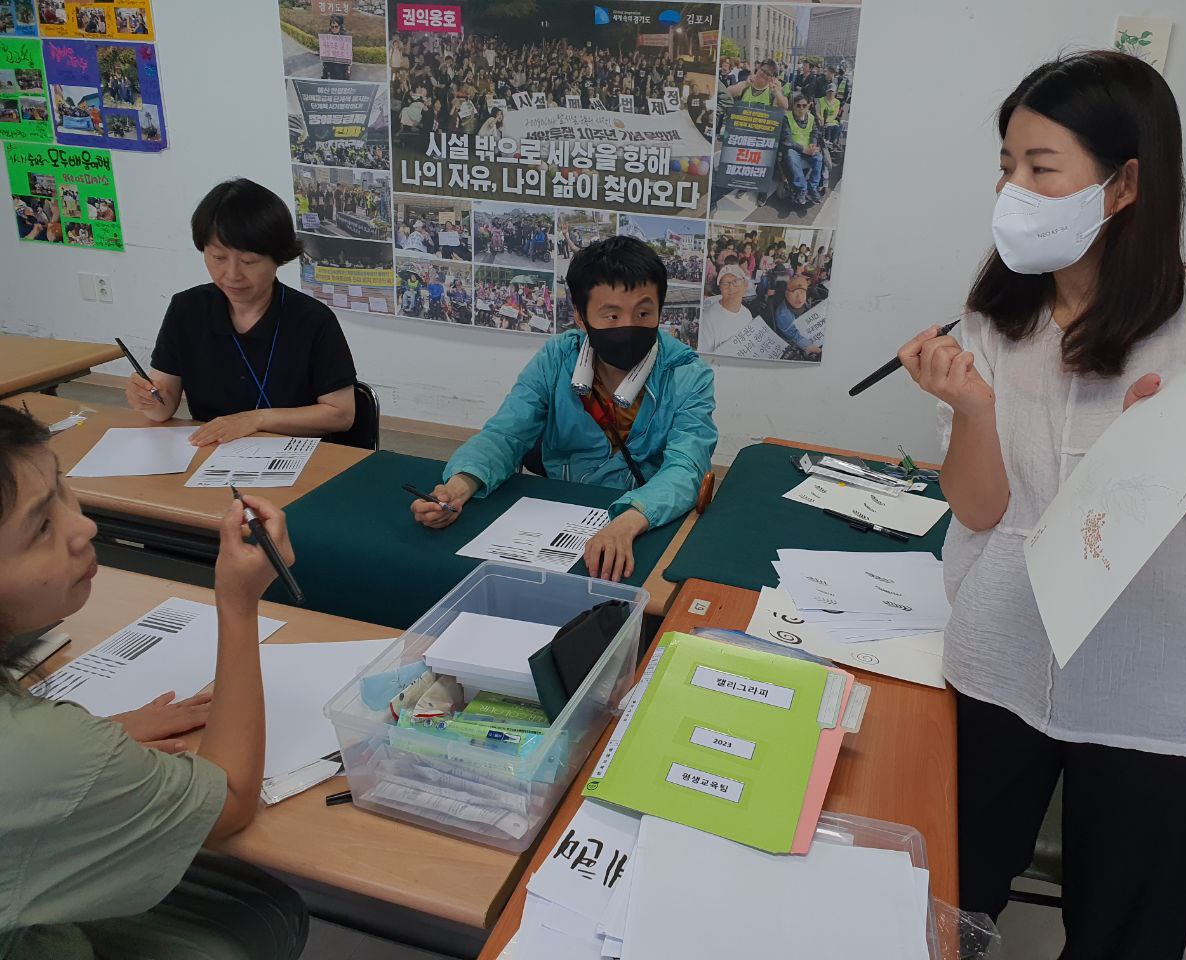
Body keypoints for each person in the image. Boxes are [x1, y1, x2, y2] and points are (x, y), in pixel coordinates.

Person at [895, 51, 1186, 959]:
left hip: (1166, 702)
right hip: (1001, 669)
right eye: (1006, 164)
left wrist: (1183, 453)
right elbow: (980, 509)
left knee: (1122, 938)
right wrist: (973, 412)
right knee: (953, 911)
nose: (1012, 188)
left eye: (1039, 167)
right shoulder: (999, 314)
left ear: (1124, 183)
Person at [0, 405, 308, 958]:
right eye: (42, 525)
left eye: (63, 488)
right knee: (257, 912)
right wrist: (238, 605)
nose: (85, 526)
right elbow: (231, 803)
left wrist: (100, 734)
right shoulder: (36, 752)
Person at [410, 237, 716, 581]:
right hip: (562, 516)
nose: (629, 325)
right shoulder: (557, 358)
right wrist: (460, 485)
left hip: (648, 518)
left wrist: (628, 521)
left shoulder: (688, 374)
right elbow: (506, 433)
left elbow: (687, 468)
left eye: (644, 313)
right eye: (611, 315)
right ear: (582, 318)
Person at [127, 179, 357, 446]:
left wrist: (256, 419)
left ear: (277, 258)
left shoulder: (312, 320)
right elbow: (162, 407)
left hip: (296, 457)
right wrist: (147, 399)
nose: (232, 275)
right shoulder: (187, 310)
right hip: (211, 455)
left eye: (249, 261)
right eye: (218, 258)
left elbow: (341, 414)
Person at [697, 264, 755, 354]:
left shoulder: (747, 314)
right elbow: (704, 357)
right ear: (720, 288)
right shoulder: (707, 319)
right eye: (725, 284)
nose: (731, 287)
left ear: (745, 285)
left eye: (736, 281)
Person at [781, 94, 824, 208]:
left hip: (808, 148)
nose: (801, 108)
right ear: (793, 106)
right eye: (798, 106)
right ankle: (802, 189)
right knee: (790, 156)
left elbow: (815, 133)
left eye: (804, 106)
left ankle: (813, 188)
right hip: (794, 148)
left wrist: (813, 145)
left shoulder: (811, 118)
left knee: (819, 158)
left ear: (807, 107)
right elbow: (787, 139)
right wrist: (804, 149)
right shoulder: (787, 117)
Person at [773, 274, 821, 356]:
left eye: (802, 292)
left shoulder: (803, 303)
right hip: (793, 341)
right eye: (794, 292)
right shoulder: (783, 314)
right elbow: (794, 336)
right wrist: (811, 347)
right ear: (786, 293)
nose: (800, 297)